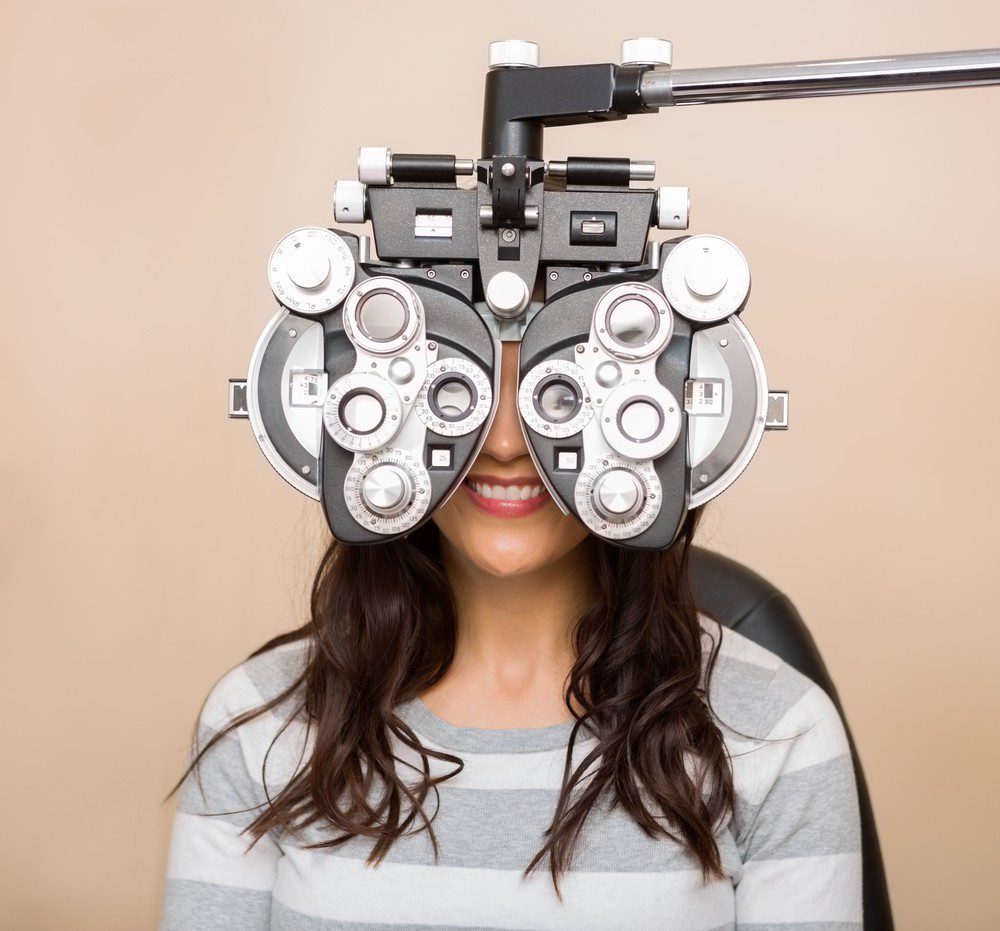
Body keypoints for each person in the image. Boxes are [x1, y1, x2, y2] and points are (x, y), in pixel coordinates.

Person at [159, 340, 863, 929]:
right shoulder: (259, 724)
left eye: (556, 392)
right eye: (457, 389)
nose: (502, 442)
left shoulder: (780, 737)